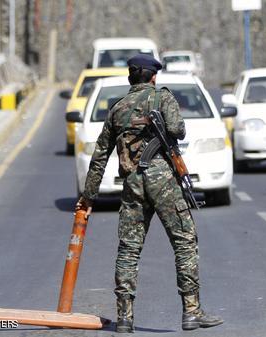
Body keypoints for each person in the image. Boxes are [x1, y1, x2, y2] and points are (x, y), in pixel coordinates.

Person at [76, 54, 223, 333]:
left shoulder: (117, 108)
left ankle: (124, 318)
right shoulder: (162, 98)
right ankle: (192, 312)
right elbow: (178, 130)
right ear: (153, 77)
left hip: (133, 182)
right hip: (163, 181)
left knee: (129, 249)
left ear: (131, 77)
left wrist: (88, 197)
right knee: (184, 242)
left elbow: (100, 157)